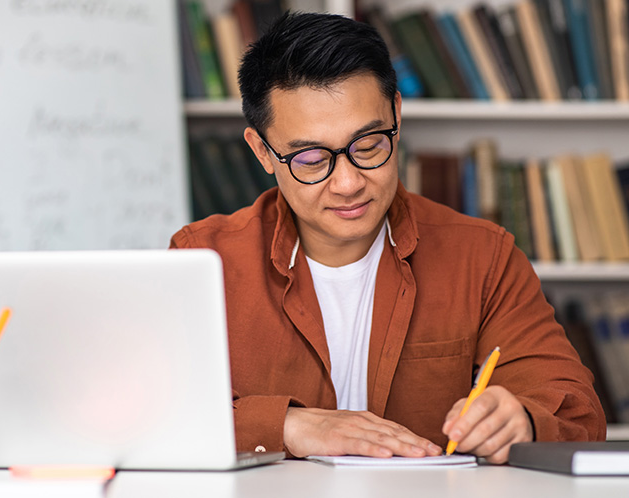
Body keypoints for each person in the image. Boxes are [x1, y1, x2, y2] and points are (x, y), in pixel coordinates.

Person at [170, 12, 605, 464]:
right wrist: (288, 426)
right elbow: (150, 417)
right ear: (263, 151)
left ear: (397, 115)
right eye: (312, 158)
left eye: (369, 145)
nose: (348, 183)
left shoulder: (483, 256)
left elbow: (579, 414)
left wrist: (525, 421)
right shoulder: (203, 259)